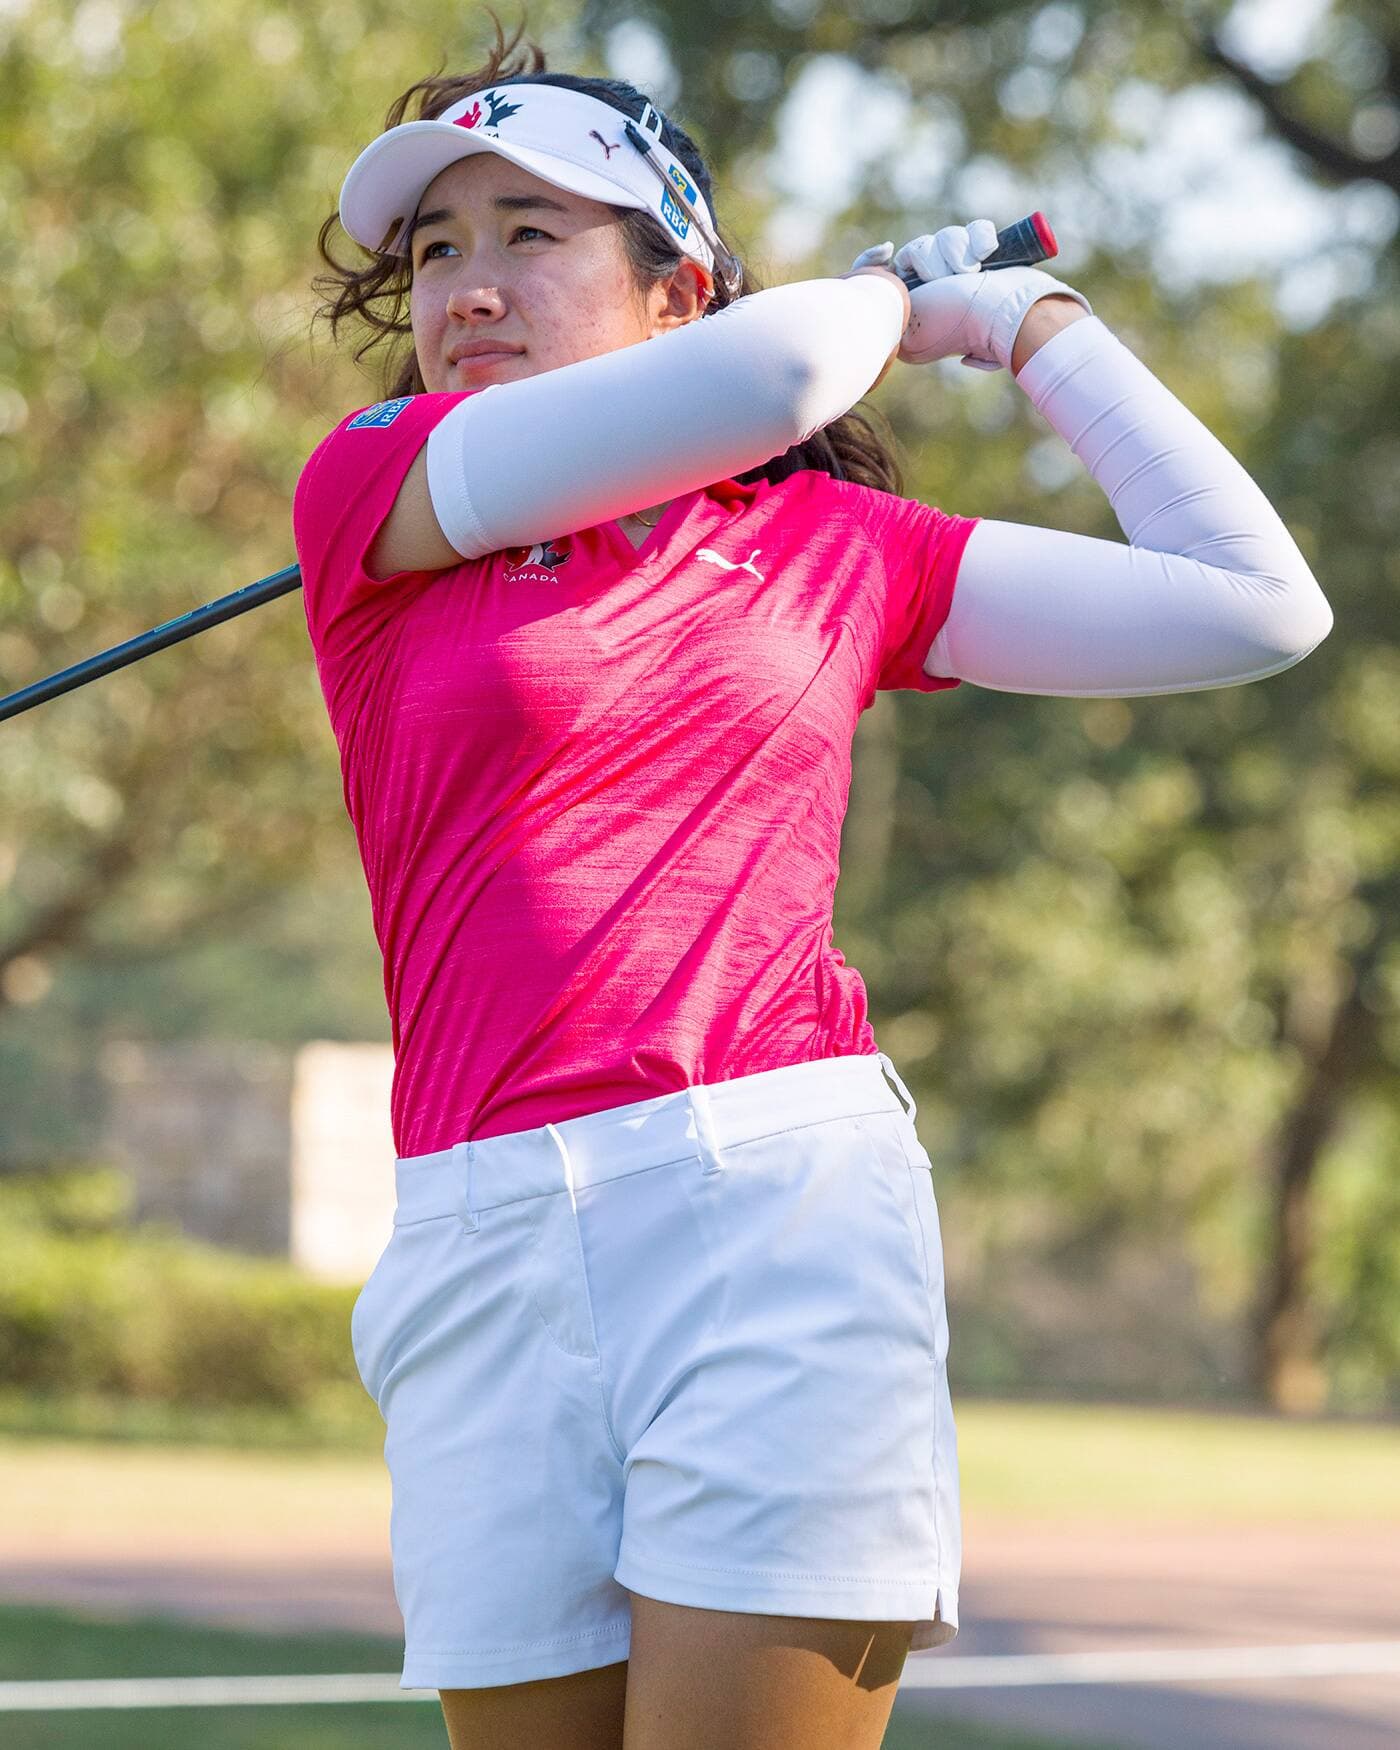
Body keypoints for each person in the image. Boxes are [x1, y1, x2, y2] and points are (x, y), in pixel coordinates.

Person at [294, 22, 1333, 1750]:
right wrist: (884, 303)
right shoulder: (372, 494)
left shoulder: (835, 555)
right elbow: (782, 380)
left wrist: (1023, 327)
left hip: (765, 1205)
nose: (467, 283)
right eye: (434, 247)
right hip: (473, 1234)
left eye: (530, 233)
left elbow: (1255, 604)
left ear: (675, 288)